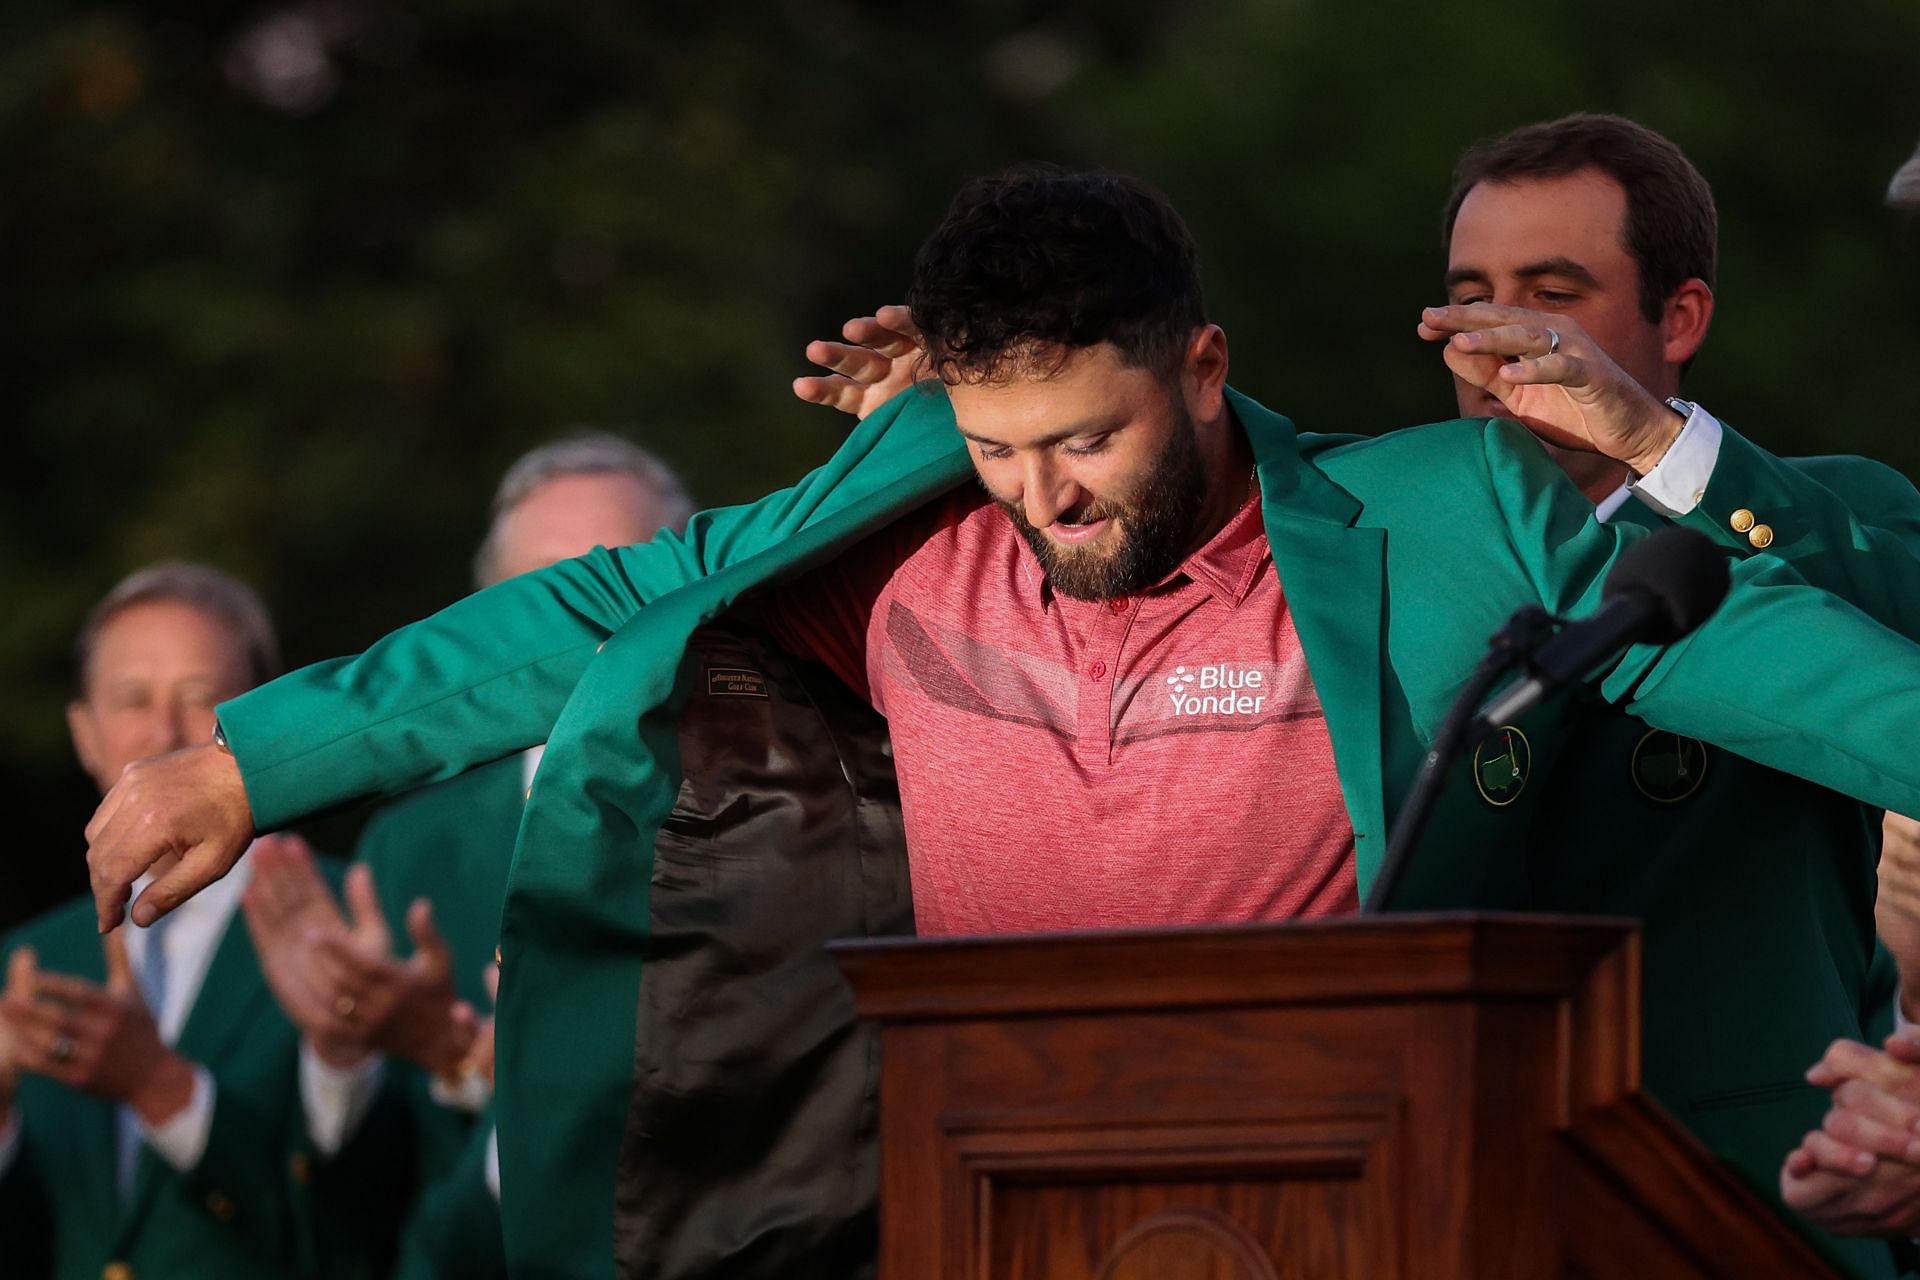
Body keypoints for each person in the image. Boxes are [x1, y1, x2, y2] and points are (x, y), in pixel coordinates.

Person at [80, 170, 1920, 1278]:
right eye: (997, 445)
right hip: (972, 1206)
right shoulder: (898, 543)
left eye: (1091, 440)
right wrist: (251, 758)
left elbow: (1805, 674)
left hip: (1366, 1208)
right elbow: (592, 608)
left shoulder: (1450, 520)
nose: (1045, 498)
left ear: (1202, 367)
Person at [240, 432, 694, 1279]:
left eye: (620, 581)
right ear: (485, 617)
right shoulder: (411, 843)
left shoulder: (769, 807)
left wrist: (508, 1067)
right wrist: (345, 1054)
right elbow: (369, 1205)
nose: (582, 625)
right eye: (539, 598)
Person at [0, 562, 375, 1278]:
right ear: (84, 733)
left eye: (201, 698)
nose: (163, 731)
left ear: (268, 722)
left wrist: (158, 1086)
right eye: (131, 699)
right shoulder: (26, 960)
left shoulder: (350, 922)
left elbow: (369, 1225)